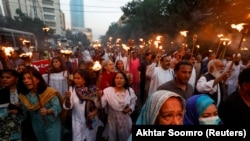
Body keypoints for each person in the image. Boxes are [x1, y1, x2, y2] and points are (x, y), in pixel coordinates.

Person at [18, 67, 63, 141]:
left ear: (38, 80)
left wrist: (48, 111)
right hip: (37, 125)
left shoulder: (49, 92)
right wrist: (18, 111)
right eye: (24, 79)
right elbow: (24, 114)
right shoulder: (23, 96)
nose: (26, 81)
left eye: (29, 78)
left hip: (51, 123)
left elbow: (57, 107)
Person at [95, 71, 137, 141]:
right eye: (117, 78)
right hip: (112, 123)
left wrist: (130, 109)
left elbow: (133, 102)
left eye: (121, 78)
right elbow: (101, 105)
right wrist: (99, 97)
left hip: (125, 123)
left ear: (125, 80)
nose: (119, 80)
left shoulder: (130, 91)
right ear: (114, 80)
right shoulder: (108, 91)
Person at [63, 69, 103, 141]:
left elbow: (99, 105)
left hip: (91, 120)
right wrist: (68, 99)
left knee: (91, 138)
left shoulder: (92, 89)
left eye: (78, 78)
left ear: (85, 79)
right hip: (77, 120)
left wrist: (95, 111)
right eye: (74, 78)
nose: (75, 80)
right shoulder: (71, 89)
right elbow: (69, 106)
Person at [0, 69, 22, 141]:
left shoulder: (23, 90)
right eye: (3, 77)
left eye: (8, 77)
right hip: (8, 126)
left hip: (24, 123)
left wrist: (21, 107)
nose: (4, 79)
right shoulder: (2, 92)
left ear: (16, 78)